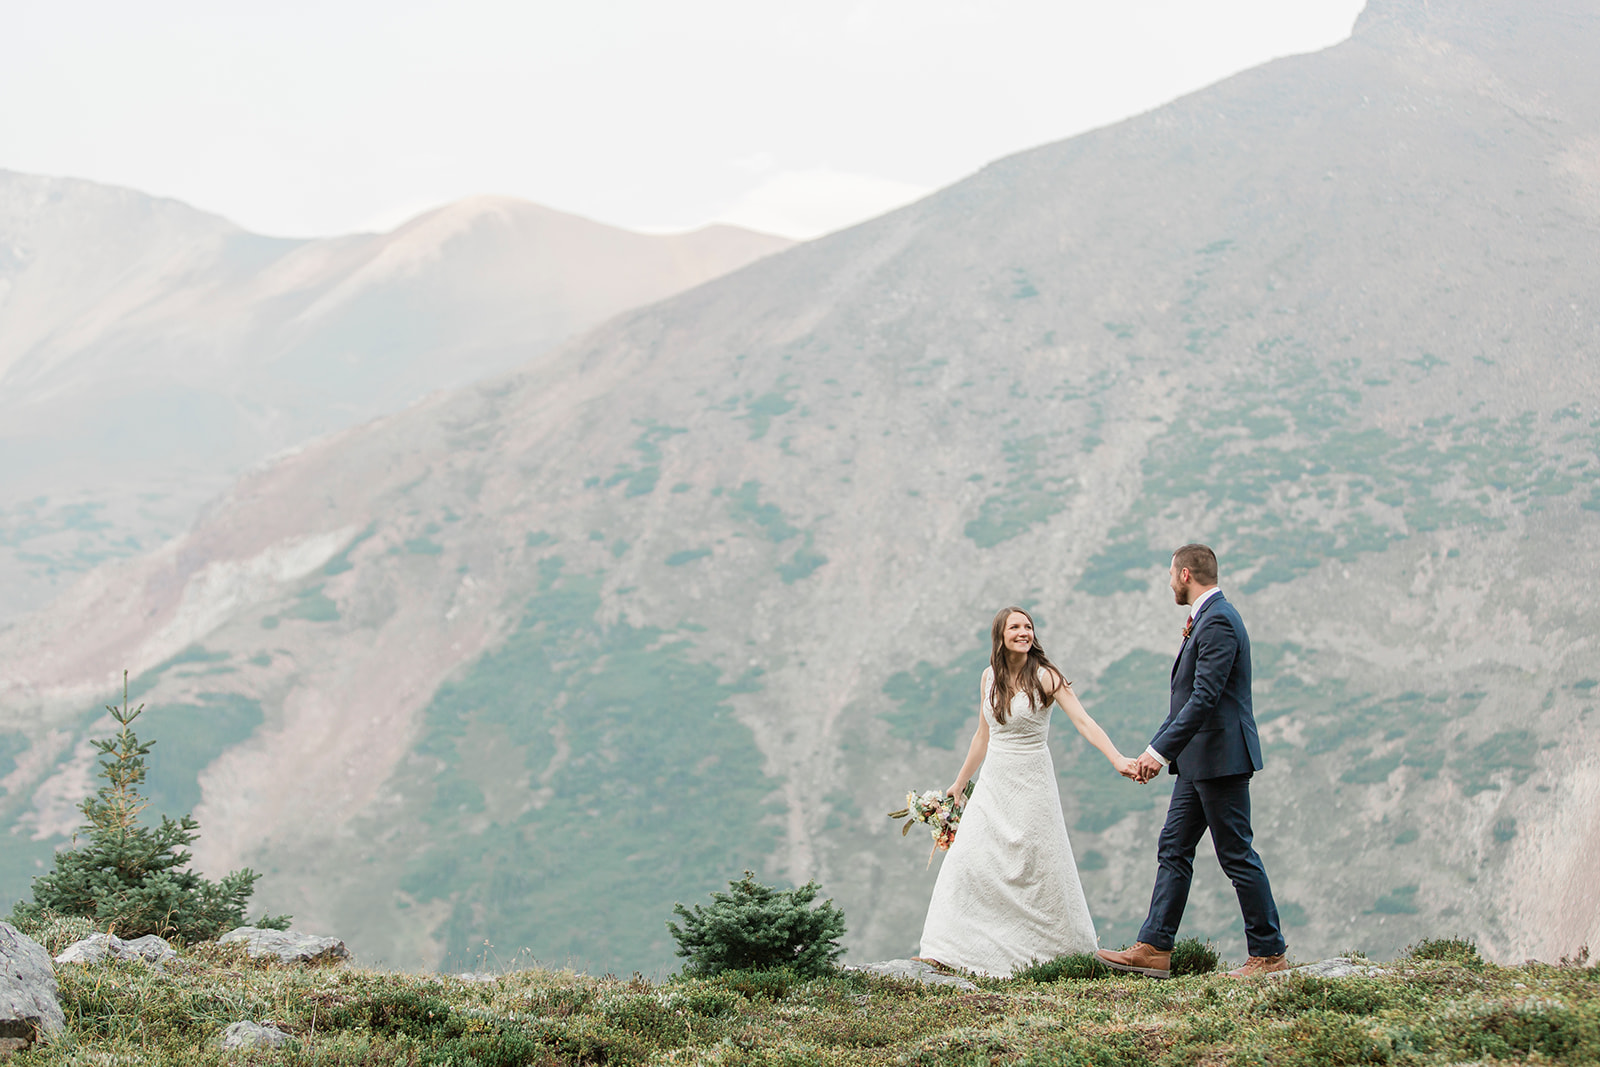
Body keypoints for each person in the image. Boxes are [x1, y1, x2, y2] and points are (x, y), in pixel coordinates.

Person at [1097, 544, 1290, 979]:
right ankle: (1154, 947)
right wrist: (1156, 750)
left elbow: (1205, 697)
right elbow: (1185, 701)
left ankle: (1269, 954)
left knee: (1236, 853)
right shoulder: (1206, 619)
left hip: (1221, 759)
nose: (1168, 583)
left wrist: (1158, 753)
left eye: (1170, 574)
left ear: (1185, 574)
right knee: (1174, 847)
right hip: (1198, 760)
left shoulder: (1219, 619)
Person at [916, 606, 1139, 976]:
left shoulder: (1047, 678)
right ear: (1000, 637)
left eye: (1028, 626)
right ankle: (945, 948)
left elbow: (1084, 721)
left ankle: (1061, 951)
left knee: (1038, 865)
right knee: (967, 858)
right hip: (993, 782)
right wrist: (958, 783)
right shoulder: (989, 678)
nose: (1024, 632)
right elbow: (982, 735)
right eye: (1015, 627)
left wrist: (1116, 758)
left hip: (1032, 781)